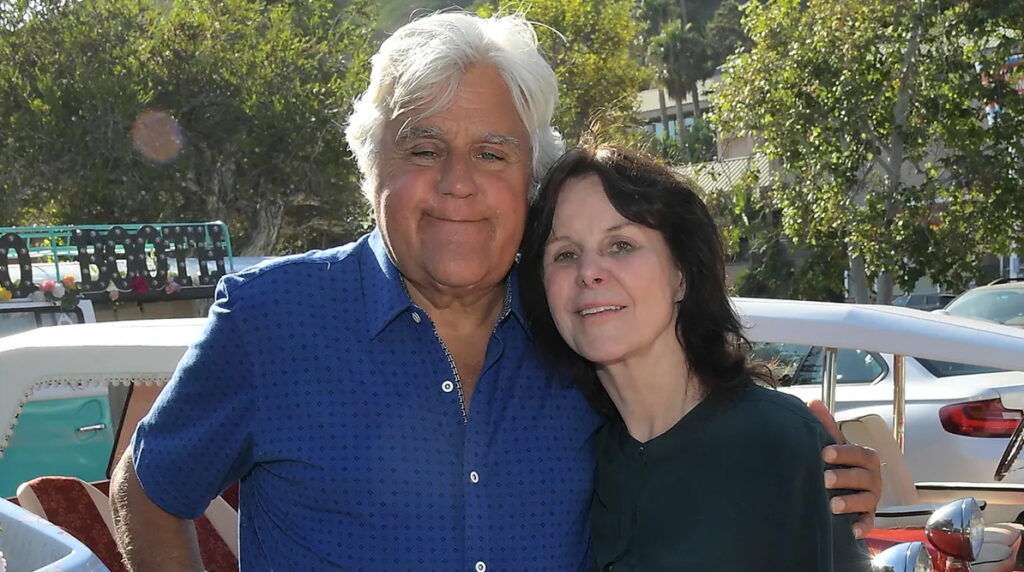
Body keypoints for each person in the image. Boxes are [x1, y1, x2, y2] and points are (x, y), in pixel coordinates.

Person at [110, 12, 882, 571]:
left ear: (527, 178)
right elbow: (149, 489)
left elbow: (688, 434)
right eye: (423, 148)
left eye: (490, 153)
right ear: (371, 167)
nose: (458, 184)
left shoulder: (572, 321)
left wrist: (811, 473)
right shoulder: (272, 320)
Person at [518, 145, 872, 571]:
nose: (588, 271)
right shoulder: (577, 457)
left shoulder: (779, 443)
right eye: (565, 254)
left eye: (621, 245)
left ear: (682, 273)